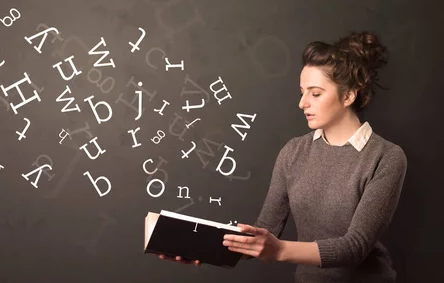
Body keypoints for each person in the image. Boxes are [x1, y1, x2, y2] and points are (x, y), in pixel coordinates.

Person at [158, 31, 407, 283]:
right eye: (302, 92)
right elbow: (265, 231)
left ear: (348, 95)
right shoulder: (293, 152)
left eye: (315, 93)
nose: (302, 103)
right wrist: (201, 248)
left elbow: (354, 247)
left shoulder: (386, 157)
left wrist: (279, 250)